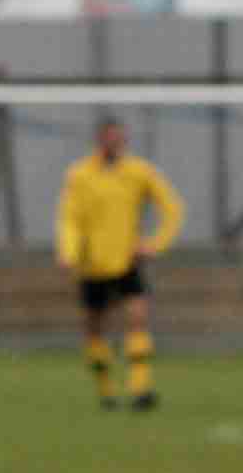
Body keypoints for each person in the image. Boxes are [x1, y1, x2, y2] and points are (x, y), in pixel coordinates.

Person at [58, 117, 183, 409]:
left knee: (138, 319)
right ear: (99, 140)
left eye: (118, 138)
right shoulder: (80, 175)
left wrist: (155, 243)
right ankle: (106, 391)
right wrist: (69, 251)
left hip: (127, 260)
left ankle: (140, 389)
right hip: (92, 263)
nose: (114, 143)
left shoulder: (139, 172)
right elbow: (70, 218)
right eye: (109, 138)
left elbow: (172, 208)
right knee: (94, 329)